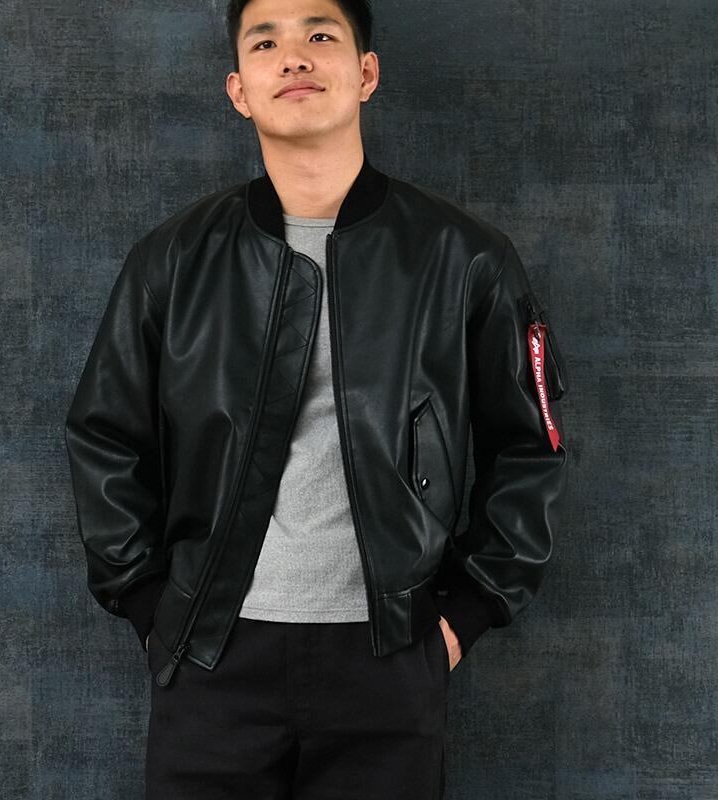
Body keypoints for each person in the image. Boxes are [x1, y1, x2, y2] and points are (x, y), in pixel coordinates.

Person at [64, 0, 570, 797]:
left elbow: (528, 448)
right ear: (239, 89)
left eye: (320, 34)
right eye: (266, 41)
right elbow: (105, 436)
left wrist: (465, 616)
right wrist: (149, 605)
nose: (294, 56)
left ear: (366, 72)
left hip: (389, 658)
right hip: (212, 656)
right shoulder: (174, 261)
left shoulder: (464, 259)